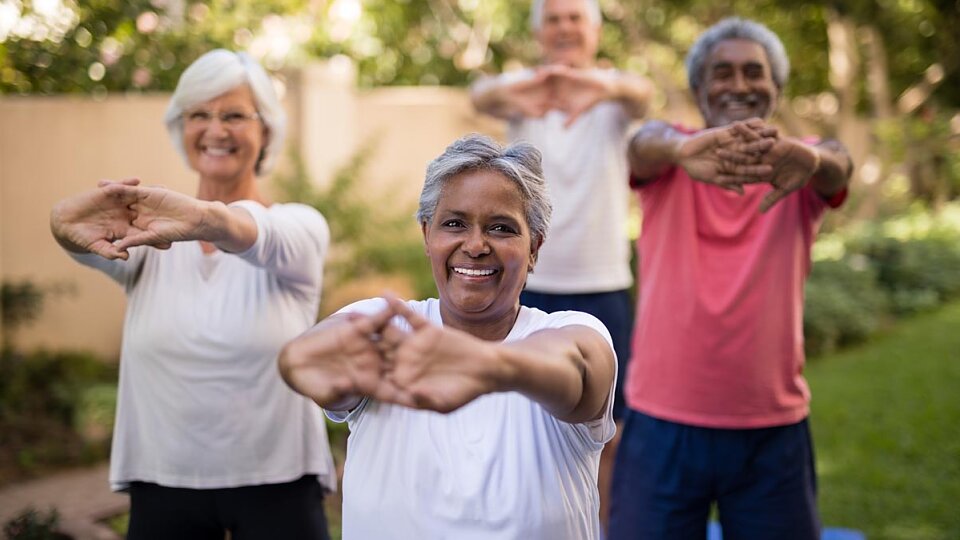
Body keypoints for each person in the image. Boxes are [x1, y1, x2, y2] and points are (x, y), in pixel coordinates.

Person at [49, 49, 336, 540]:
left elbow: (254, 232)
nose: (216, 129)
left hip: (279, 483)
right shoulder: (147, 241)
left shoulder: (298, 228)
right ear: (181, 127)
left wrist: (205, 216)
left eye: (234, 115)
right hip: (163, 482)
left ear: (265, 130)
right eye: (199, 114)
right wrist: (60, 224)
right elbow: (78, 233)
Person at [278, 134, 618, 539]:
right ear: (427, 235)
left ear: (534, 248)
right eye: (454, 223)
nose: (475, 246)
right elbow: (304, 358)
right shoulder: (380, 323)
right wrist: (304, 365)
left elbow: (575, 370)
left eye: (501, 228)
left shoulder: (569, 331)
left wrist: (486, 366)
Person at [607, 18, 854, 540]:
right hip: (661, 421)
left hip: (771, 426)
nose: (739, 85)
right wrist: (678, 148)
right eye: (722, 73)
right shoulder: (672, 157)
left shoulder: (798, 165)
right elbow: (641, 142)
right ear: (699, 89)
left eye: (753, 72)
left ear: (776, 88)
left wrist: (811, 160)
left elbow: (839, 163)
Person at [470, 0, 652, 522]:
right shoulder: (523, 93)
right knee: (517, 419)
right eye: (553, 19)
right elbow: (479, 93)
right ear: (540, 32)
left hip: (602, 282)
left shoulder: (612, 93)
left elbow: (644, 94)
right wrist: (521, 89)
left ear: (593, 30)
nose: (565, 28)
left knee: (607, 430)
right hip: (525, 284)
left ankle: (599, 528)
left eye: (575, 18)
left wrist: (601, 86)